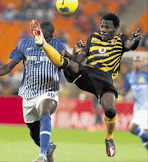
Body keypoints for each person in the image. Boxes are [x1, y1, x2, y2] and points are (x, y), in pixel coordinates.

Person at [29, 13, 142, 157]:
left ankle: (109, 137)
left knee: (110, 111)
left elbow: (130, 45)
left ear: (116, 29)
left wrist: (135, 40)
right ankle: (43, 43)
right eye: (102, 26)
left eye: (107, 27)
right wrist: (73, 53)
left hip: (105, 80)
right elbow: (79, 59)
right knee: (67, 63)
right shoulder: (93, 38)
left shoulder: (121, 39)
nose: (103, 29)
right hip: (87, 73)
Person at [0, 21, 67, 162]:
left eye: (47, 38)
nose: (43, 40)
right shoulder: (25, 45)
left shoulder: (58, 45)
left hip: (49, 90)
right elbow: (7, 67)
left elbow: (67, 63)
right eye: (42, 36)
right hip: (29, 93)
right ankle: (48, 149)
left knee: (45, 112)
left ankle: (42, 156)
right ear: (37, 32)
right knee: (34, 132)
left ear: (52, 37)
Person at [123, 56, 148, 150]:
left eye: (139, 61)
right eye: (135, 61)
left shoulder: (146, 75)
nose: (137, 63)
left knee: (132, 129)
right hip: (137, 108)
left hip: (146, 107)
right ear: (133, 63)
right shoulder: (129, 76)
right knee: (144, 136)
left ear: (142, 64)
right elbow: (125, 90)